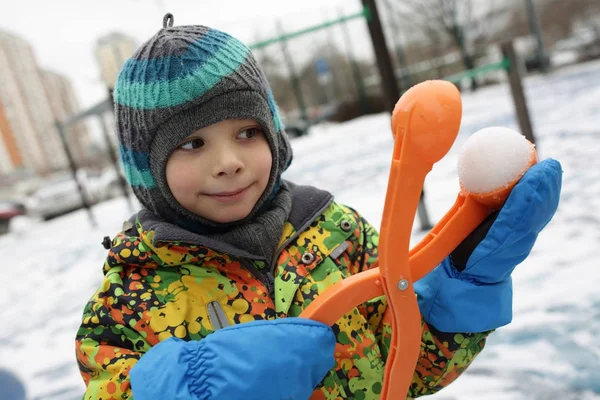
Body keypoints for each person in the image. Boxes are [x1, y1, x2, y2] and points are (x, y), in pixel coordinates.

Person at [75, 13, 562, 400]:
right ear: (145, 169)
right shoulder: (131, 296)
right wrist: (194, 387)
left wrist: (462, 284)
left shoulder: (337, 234)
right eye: (192, 144)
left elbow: (411, 365)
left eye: (246, 133)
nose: (228, 163)